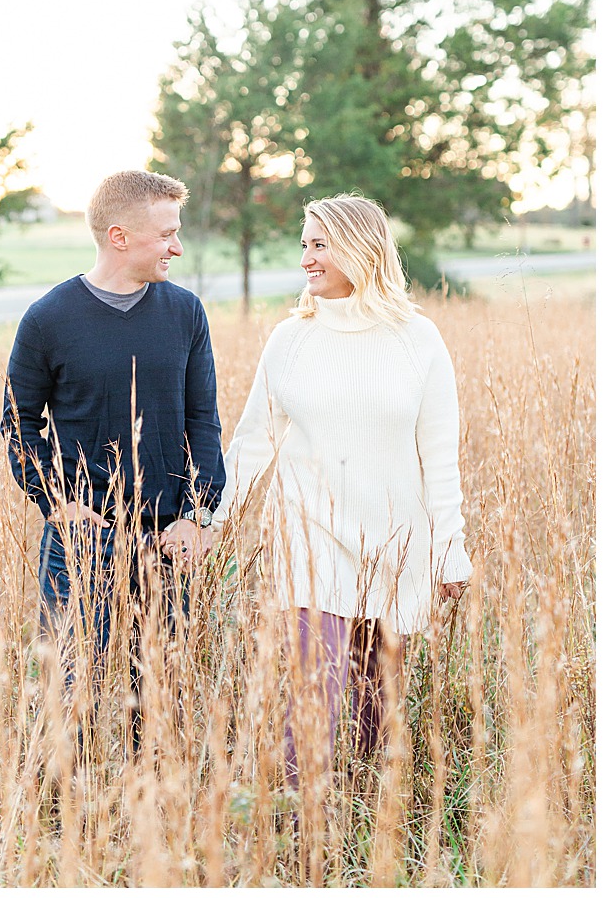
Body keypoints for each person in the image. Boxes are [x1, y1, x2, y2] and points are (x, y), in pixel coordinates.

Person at [211, 194, 471, 785]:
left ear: (361, 247)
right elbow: (254, 442)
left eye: (319, 244)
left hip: (392, 542)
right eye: (304, 243)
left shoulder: (418, 339)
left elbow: (439, 457)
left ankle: (366, 825)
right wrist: (215, 520)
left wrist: (450, 548)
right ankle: (300, 835)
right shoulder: (290, 339)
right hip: (309, 539)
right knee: (314, 695)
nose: (306, 257)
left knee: (378, 708)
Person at [1, 170, 225, 745]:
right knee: (67, 686)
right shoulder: (49, 319)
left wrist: (198, 513)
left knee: (159, 690)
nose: (177, 246)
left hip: (167, 539)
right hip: (82, 538)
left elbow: (203, 420)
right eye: (166, 234)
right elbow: (19, 423)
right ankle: (60, 815)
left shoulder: (185, 313)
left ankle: (147, 812)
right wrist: (57, 503)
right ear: (119, 236)